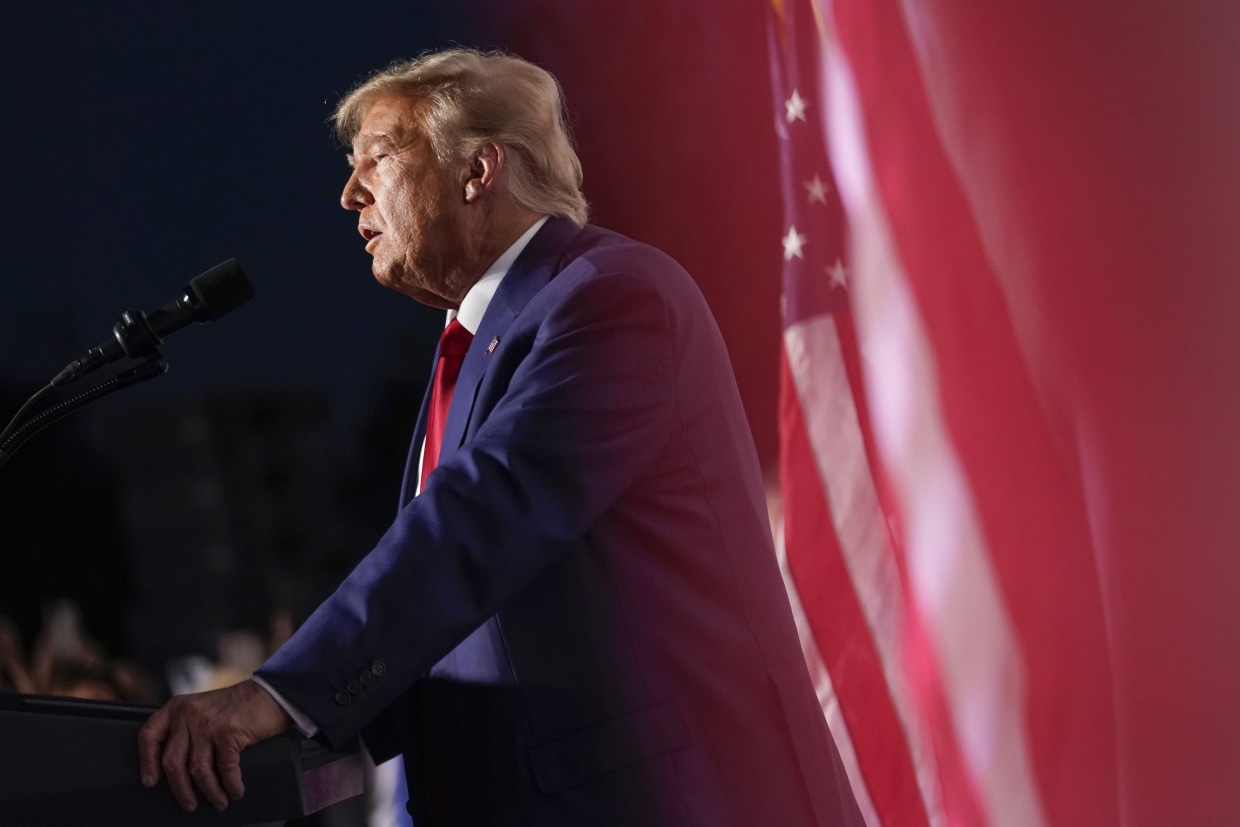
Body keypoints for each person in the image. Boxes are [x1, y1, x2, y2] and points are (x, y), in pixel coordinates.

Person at [138, 48, 863, 826]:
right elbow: (470, 625)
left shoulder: (611, 297)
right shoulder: (471, 349)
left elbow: (481, 518)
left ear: (478, 171)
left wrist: (282, 693)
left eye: (377, 159)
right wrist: (306, 731)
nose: (349, 194)